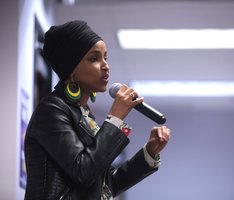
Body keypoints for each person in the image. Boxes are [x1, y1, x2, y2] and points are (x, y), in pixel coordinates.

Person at [24, 20, 171, 200]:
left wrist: (149, 153)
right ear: (72, 69)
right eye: (94, 58)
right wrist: (115, 118)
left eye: (105, 58)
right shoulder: (52, 110)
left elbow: (107, 184)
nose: (105, 66)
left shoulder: (84, 116)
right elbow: (83, 170)